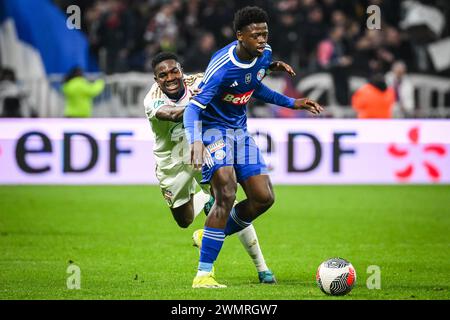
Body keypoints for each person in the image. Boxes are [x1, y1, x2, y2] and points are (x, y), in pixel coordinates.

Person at [183, 6, 323, 288]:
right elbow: (192, 109)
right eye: (255, 35)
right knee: (226, 191)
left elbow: (254, 87)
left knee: (263, 198)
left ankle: (211, 234)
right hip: (213, 132)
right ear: (240, 36)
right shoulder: (221, 67)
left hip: (240, 133)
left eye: (265, 34)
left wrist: (292, 102)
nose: (262, 39)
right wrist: (195, 141)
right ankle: (203, 275)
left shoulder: (266, 54)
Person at [143, 52, 281, 285]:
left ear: (181, 70)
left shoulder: (199, 80)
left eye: (174, 71)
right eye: (163, 75)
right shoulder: (152, 98)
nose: (170, 77)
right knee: (184, 219)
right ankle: (204, 199)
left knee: (227, 200)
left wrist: (262, 70)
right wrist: (199, 101)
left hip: (204, 148)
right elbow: (171, 113)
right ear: (156, 80)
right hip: (171, 161)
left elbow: (237, 83)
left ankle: (262, 268)